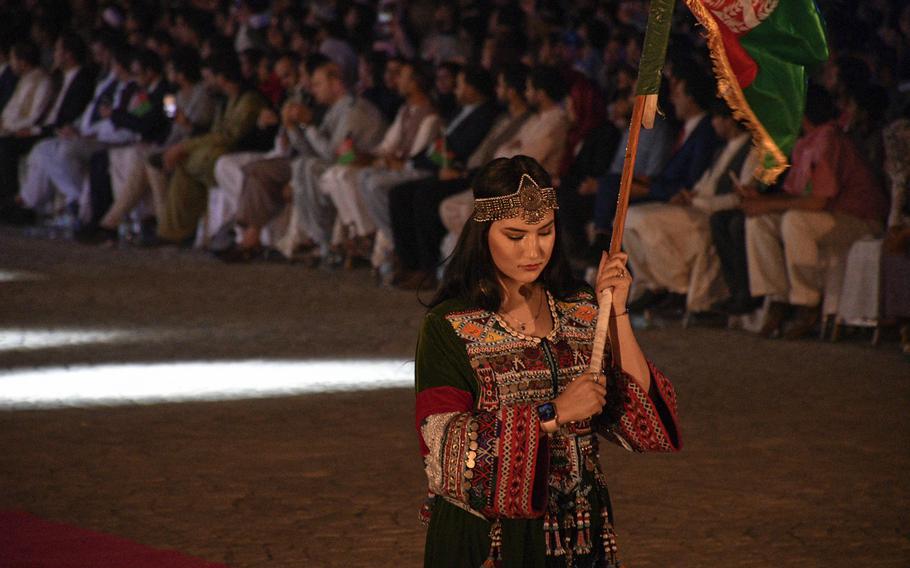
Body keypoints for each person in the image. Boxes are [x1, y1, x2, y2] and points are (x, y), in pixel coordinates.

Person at [416, 155, 680, 567]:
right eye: (515, 235)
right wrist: (552, 413)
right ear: (484, 233)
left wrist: (617, 316)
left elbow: (643, 426)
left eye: (545, 231)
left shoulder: (578, 310)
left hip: (580, 530)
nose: (533, 249)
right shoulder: (449, 326)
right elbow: (442, 446)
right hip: (493, 536)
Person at [744, 85, 889, 339]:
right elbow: (796, 195)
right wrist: (760, 202)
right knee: (760, 222)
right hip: (829, 216)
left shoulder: (828, 140)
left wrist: (767, 204)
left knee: (795, 222)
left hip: (859, 219)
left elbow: (818, 201)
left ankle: (806, 302)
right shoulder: (804, 143)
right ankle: (777, 297)